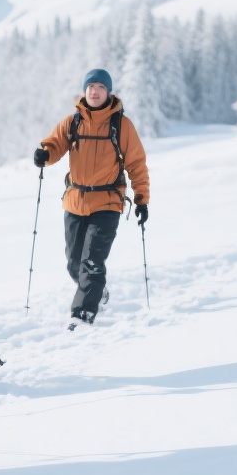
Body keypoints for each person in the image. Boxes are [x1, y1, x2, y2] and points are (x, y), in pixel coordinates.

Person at [33, 68, 150, 331]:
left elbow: (137, 165)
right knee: (74, 262)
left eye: (100, 87)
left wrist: (142, 200)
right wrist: (44, 154)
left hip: (108, 202)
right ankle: (97, 290)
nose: (95, 91)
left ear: (109, 92)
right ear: (85, 91)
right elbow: (54, 145)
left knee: (92, 261)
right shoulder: (73, 121)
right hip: (75, 201)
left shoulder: (121, 125)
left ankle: (82, 314)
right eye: (91, 87)